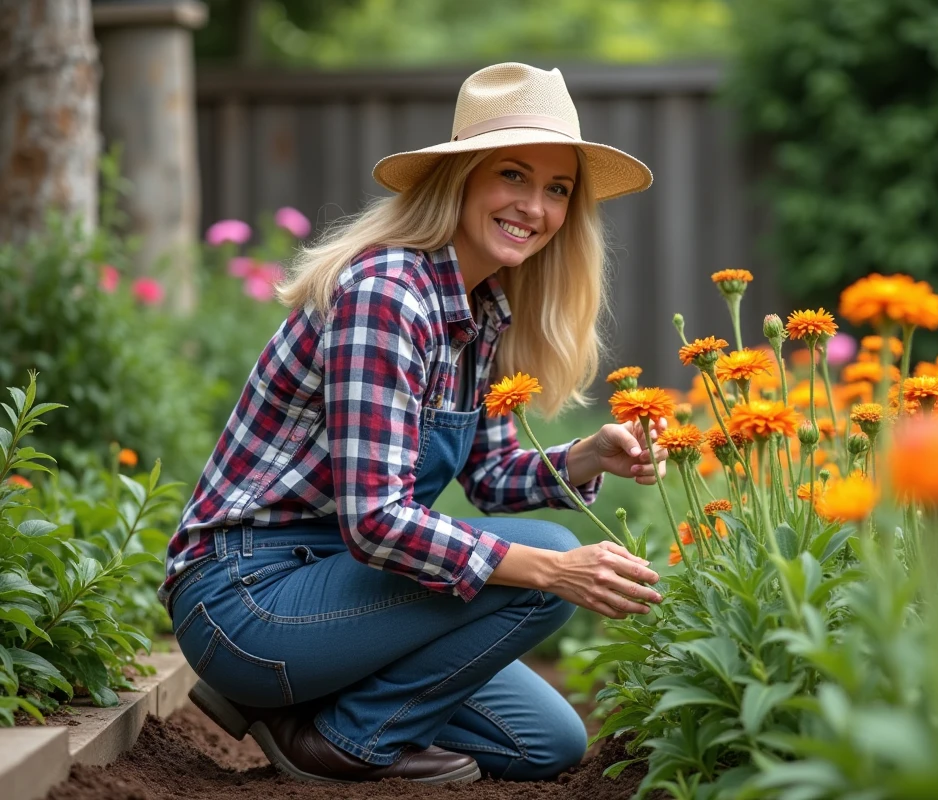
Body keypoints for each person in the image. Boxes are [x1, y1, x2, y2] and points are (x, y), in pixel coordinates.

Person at [159, 63, 666, 786]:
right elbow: (376, 521)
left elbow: (487, 479)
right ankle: (342, 742)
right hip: (248, 597)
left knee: (547, 743)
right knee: (543, 564)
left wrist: (587, 457)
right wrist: (555, 570)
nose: (536, 206)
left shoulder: (480, 310)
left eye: (557, 190)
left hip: (346, 589)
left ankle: (307, 702)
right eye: (513, 177)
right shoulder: (387, 295)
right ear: (459, 181)